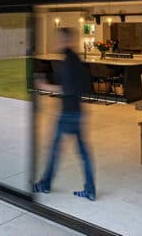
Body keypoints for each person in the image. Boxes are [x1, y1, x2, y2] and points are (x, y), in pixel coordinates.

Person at [34, 27, 96, 201]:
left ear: (67, 40)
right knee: (83, 153)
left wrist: (44, 86)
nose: (56, 42)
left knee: (54, 150)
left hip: (69, 114)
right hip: (76, 112)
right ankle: (90, 190)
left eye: (59, 39)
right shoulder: (75, 59)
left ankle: (45, 184)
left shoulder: (69, 61)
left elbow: (67, 89)